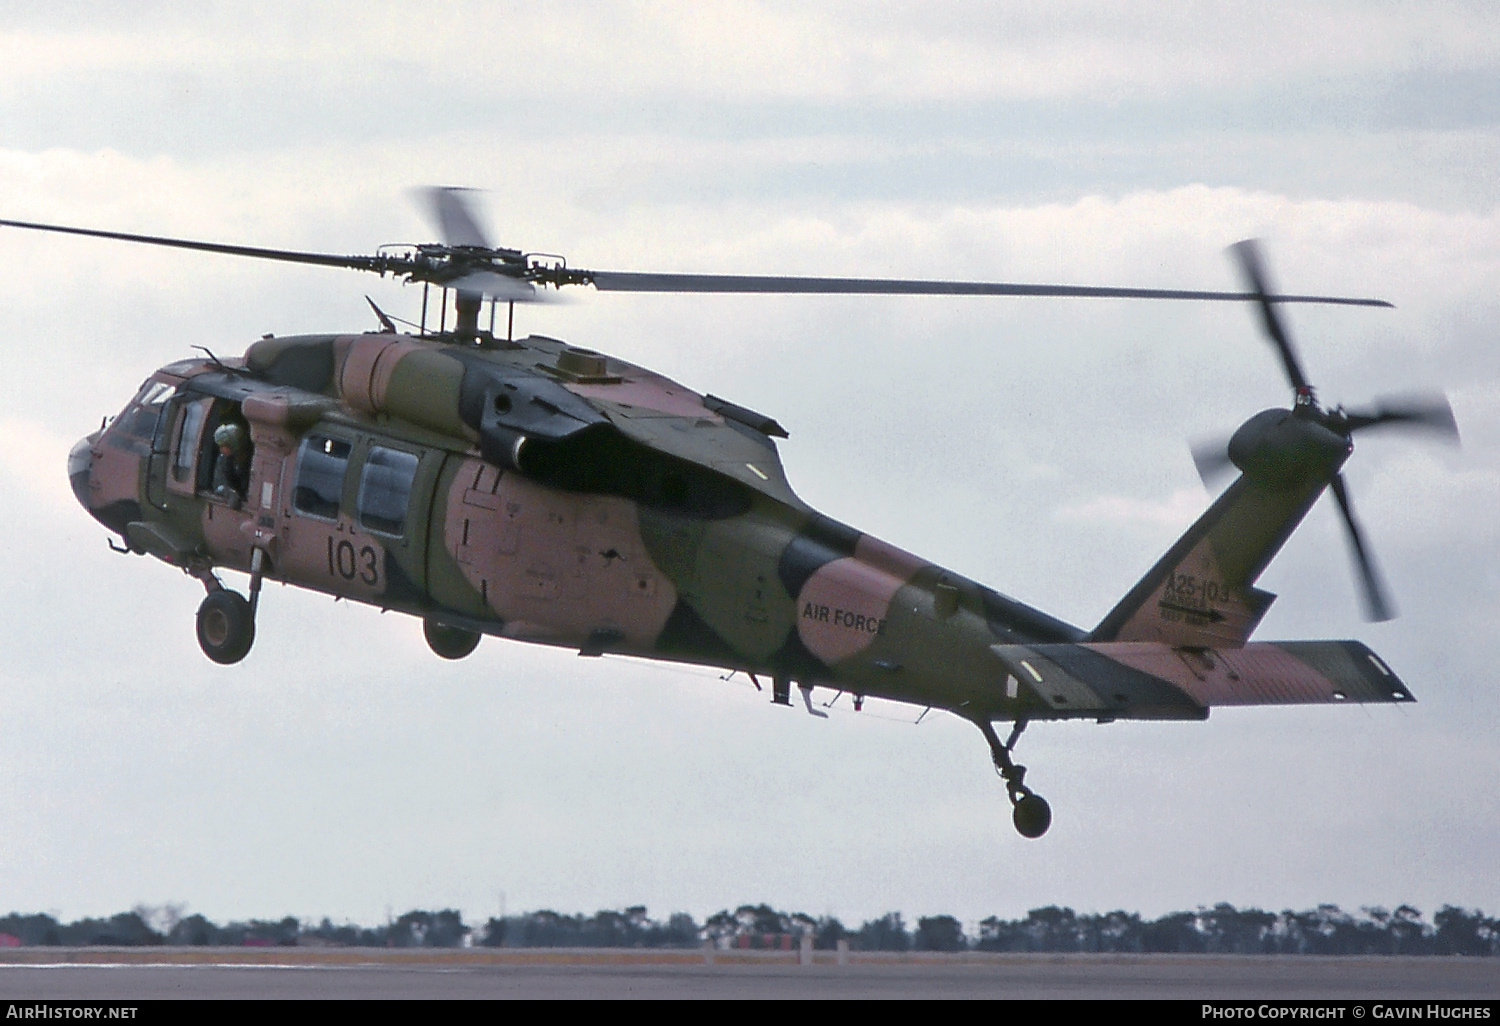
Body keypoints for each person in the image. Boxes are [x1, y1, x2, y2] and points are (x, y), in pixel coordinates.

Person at [211, 421, 251, 506]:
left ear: (234, 444)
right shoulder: (224, 459)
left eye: (224, 445)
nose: (221, 449)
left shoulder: (251, 460)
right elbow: (218, 483)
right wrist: (228, 493)